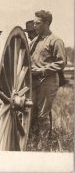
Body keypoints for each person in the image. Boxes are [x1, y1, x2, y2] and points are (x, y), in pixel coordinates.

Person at [30, 10, 67, 144]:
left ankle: (44, 145)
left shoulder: (55, 40)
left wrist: (41, 70)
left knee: (43, 114)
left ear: (46, 23)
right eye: (34, 23)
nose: (34, 26)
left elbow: (61, 62)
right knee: (31, 112)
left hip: (48, 80)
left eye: (37, 23)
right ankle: (33, 142)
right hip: (34, 82)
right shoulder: (34, 41)